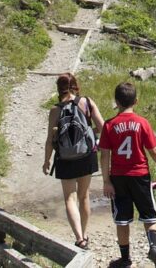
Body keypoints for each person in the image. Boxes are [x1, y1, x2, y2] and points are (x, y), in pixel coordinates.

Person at [99, 81, 156, 268]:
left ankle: (125, 259)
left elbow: (105, 155)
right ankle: (154, 247)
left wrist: (106, 181)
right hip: (140, 175)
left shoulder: (109, 125)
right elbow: (153, 150)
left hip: (118, 177)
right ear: (136, 101)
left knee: (122, 219)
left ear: (116, 101)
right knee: (149, 215)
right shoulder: (142, 123)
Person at [42, 72, 104, 249]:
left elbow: (49, 140)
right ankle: (84, 234)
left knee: (70, 197)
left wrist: (47, 161)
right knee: (84, 196)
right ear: (76, 86)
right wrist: (89, 133)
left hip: (65, 158)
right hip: (86, 155)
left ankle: (79, 238)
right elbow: (102, 127)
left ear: (58, 89)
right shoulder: (87, 102)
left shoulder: (55, 110)